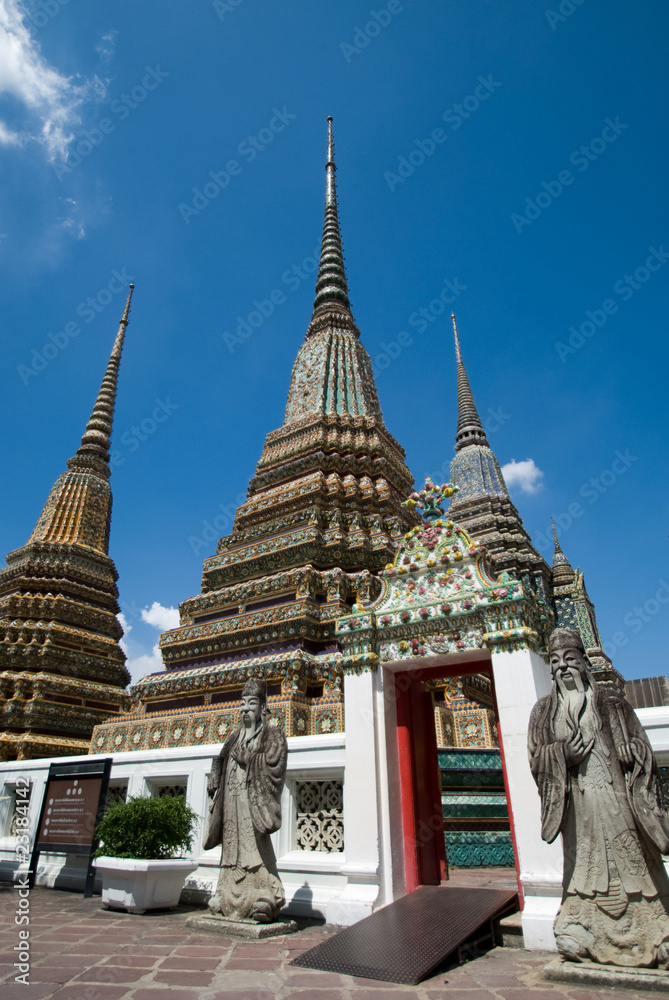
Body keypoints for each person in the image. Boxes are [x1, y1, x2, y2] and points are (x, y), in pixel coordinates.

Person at [528, 628, 669, 967]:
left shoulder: (611, 704)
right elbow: (536, 757)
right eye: (557, 663)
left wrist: (630, 751)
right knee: (582, 866)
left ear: (584, 662)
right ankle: (579, 927)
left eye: (570, 660)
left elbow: (642, 746)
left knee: (633, 860)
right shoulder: (544, 712)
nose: (563, 668)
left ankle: (658, 930)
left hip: (618, 800)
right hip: (578, 807)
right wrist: (563, 754)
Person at [204, 677, 288, 922]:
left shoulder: (272, 734)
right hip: (231, 802)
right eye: (242, 704)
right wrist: (216, 780)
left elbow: (274, 763)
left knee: (254, 847)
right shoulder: (233, 737)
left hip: (253, 803)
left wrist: (249, 760)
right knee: (231, 847)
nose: (244, 709)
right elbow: (220, 758)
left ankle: (267, 896)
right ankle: (225, 894)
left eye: (251, 704)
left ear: (262, 708)